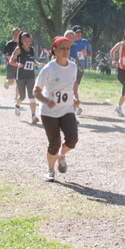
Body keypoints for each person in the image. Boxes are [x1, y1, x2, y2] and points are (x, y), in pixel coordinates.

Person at [34, 36, 80, 182]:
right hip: (49, 111)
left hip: (66, 109)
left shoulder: (73, 67)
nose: (66, 51)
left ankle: (61, 155)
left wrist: (75, 98)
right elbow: (36, 92)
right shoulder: (48, 69)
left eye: (68, 48)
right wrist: (47, 101)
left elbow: (72, 85)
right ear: (54, 50)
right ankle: (50, 170)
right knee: (54, 142)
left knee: (72, 140)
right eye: (62, 48)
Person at [10, 31, 45, 124]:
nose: (28, 42)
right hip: (20, 76)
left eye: (29, 41)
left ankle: (33, 116)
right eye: (26, 41)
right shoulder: (18, 49)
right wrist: (17, 64)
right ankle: (17, 106)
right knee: (22, 96)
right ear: (22, 41)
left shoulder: (32, 49)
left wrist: (38, 64)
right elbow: (10, 61)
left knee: (31, 95)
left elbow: (31, 59)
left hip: (30, 76)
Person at [72, 25, 91, 115]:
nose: (79, 34)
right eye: (77, 32)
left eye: (80, 32)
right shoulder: (70, 42)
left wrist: (86, 53)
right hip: (71, 68)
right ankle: (76, 107)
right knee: (74, 87)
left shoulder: (85, 42)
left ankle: (74, 106)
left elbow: (90, 54)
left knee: (76, 87)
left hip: (81, 68)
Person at [3, 28, 21, 101]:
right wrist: (8, 57)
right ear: (12, 34)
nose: (16, 35)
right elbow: (4, 55)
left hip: (19, 65)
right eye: (15, 33)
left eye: (18, 33)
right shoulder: (9, 44)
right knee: (11, 82)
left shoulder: (22, 44)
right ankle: (7, 81)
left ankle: (16, 97)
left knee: (19, 82)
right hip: (11, 64)